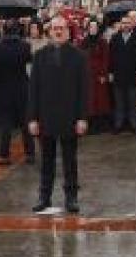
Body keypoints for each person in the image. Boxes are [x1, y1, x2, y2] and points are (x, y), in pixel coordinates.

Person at [27, 16, 91, 213]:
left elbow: (84, 90)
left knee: (70, 161)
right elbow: (33, 89)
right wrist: (32, 118)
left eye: (62, 28)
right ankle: (44, 197)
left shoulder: (79, 56)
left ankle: (71, 198)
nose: (58, 31)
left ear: (68, 32)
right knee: (46, 161)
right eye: (55, 28)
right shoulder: (39, 56)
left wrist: (82, 118)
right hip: (45, 116)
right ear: (49, 31)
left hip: (70, 117)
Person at [0, 19, 36, 166]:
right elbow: (30, 62)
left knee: (5, 124)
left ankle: (4, 155)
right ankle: (30, 153)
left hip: (4, 89)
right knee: (25, 122)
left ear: (4, 30)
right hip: (22, 88)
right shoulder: (25, 46)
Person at [108, 11, 136, 134]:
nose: (125, 25)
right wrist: (110, 72)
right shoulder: (115, 38)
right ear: (120, 24)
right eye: (123, 23)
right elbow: (110, 57)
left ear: (131, 24)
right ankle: (118, 124)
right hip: (118, 75)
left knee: (133, 102)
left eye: (128, 23)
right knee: (119, 103)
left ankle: (134, 125)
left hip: (133, 75)